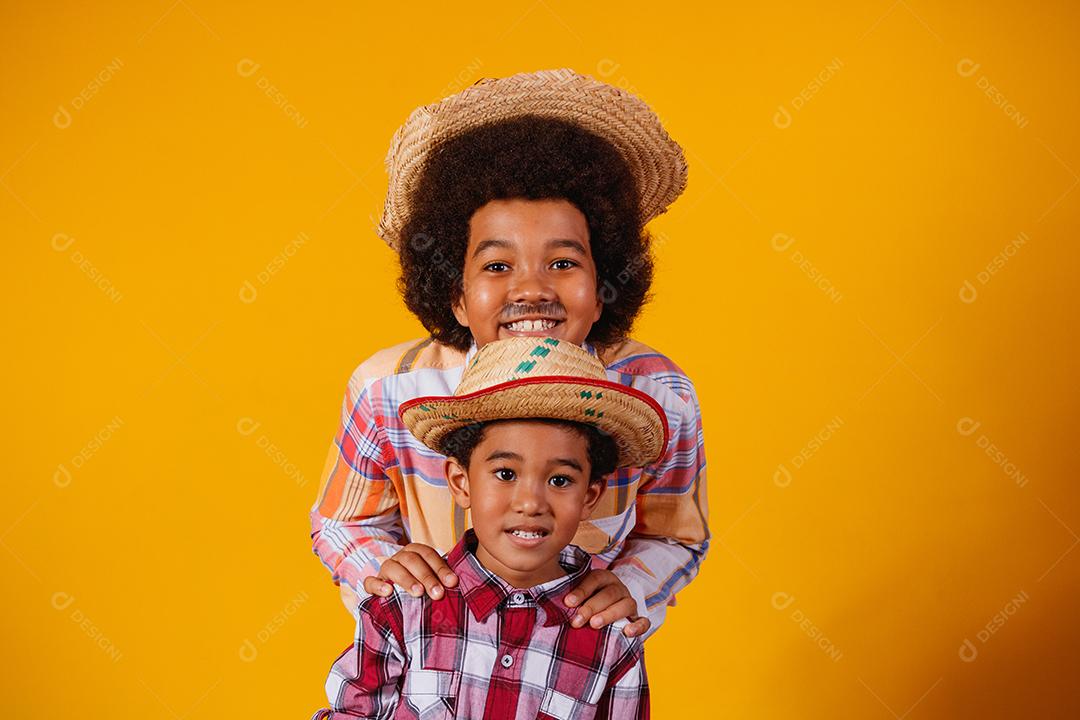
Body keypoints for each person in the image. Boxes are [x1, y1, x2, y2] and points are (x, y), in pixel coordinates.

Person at [311, 68, 709, 638]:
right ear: (454, 294)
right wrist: (384, 569)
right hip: (425, 669)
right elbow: (341, 522)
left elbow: (675, 534)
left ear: (603, 290)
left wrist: (635, 587)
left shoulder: (658, 394)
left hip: (573, 668)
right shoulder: (387, 388)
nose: (531, 289)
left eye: (564, 263)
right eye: (498, 266)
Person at [311, 337, 664, 719]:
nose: (530, 503)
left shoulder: (612, 638)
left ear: (590, 495)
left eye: (560, 480)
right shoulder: (402, 609)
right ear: (461, 483)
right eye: (506, 473)